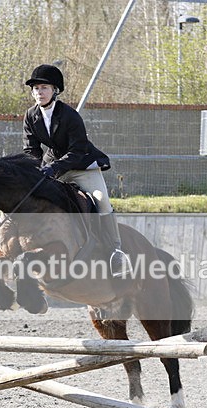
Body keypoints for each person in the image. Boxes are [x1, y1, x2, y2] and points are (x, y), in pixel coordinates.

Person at [22, 63, 131, 278]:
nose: (39, 92)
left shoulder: (69, 115)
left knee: (101, 200)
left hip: (82, 166)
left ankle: (115, 252)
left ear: (55, 90)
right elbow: (31, 150)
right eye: (36, 88)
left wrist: (53, 168)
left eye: (44, 88)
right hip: (54, 167)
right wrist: (34, 171)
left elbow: (77, 150)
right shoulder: (30, 115)